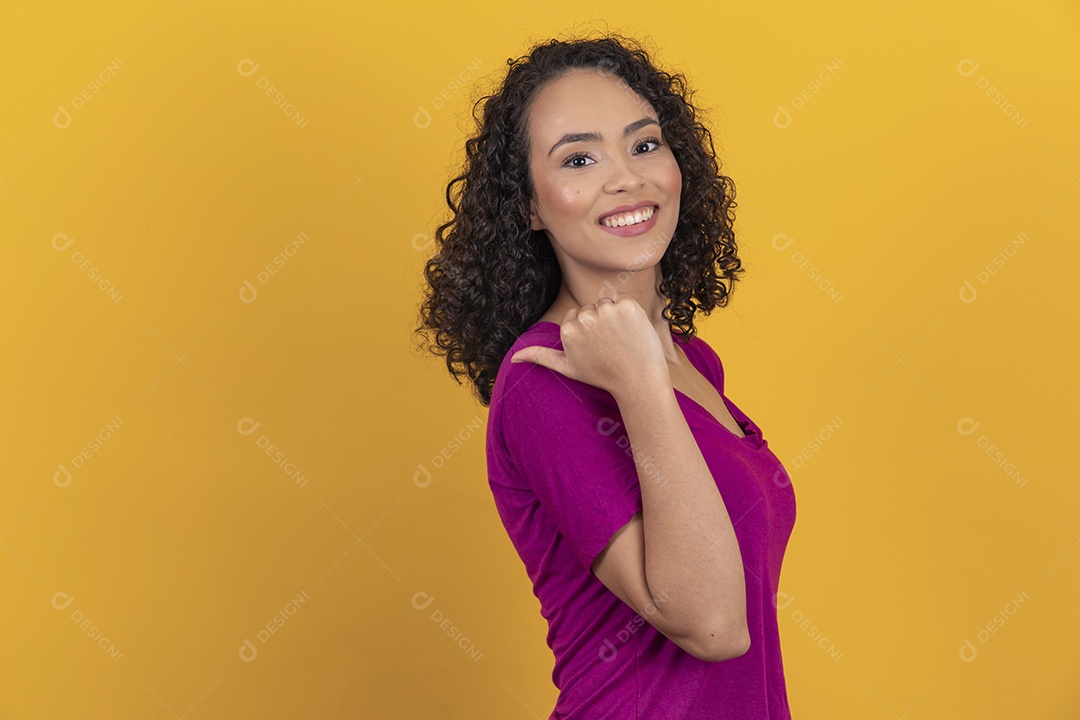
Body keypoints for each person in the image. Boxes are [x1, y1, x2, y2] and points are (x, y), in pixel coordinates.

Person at [415, 33, 797, 719]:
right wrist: (641, 385)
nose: (627, 178)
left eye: (645, 144)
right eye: (580, 158)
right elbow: (713, 625)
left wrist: (649, 369)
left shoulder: (692, 360)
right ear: (529, 206)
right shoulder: (542, 384)